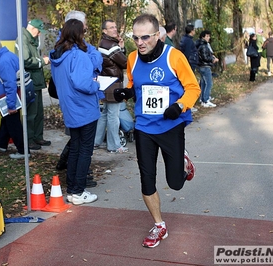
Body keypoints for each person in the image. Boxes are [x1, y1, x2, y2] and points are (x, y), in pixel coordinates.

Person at [113, 14, 199, 248]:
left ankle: (182, 159)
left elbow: (193, 87)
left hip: (170, 125)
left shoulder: (174, 56)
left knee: (175, 184)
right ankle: (159, 225)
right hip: (144, 127)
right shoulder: (132, 58)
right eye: (135, 38)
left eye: (145, 37)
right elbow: (133, 83)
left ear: (157, 35)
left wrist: (179, 106)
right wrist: (127, 92)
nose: (139, 42)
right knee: (146, 178)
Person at [50, 19, 101, 205]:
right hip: (84, 108)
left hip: (70, 107)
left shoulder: (57, 56)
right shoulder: (78, 56)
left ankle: (73, 190)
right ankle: (78, 191)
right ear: (80, 34)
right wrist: (96, 85)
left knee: (75, 149)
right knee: (85, 151)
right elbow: (82, 83)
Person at [0, 38, 28, 159]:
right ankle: (1, 144)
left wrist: (11, 105)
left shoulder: (3, 61)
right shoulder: (9, 55)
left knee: (13, 123)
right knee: (6, 120)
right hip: (15, 95)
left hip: (10, 97)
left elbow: (10, 84)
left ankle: (23, 150)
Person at [15, 19, 51, 151]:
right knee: (31, 112)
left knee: (39, 111)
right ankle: (29, 139)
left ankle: (38, 136)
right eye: (39, 31)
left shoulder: (32, 40)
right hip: (29, 82)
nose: (40, 34)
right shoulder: (23, 40)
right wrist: (43, 61)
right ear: (33, 29)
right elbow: (25, 61)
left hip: (37, 81)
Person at [94, 19, 128, 153]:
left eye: (115, 27)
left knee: (105, 114)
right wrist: (122, 49)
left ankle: (96, 141)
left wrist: (121, 47)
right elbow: (125, 63)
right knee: (113, 115)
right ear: (105, 31)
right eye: (111, 27)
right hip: (113, 83)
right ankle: (114, 145)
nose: (115, 29)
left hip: (105, 82)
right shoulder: (111, 46)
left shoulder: (104, 43)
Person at [196, 30, 219, 108]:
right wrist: (213, 60)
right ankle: (205, 100)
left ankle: (202, 99)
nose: (208, 38)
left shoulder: (201, 44)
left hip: (202, 66)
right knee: (208, 83)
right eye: (207, 36)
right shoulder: (203, 46)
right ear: (203, 37)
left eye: (209, 36)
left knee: (203, 83)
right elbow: (205, 57)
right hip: (205, 66)